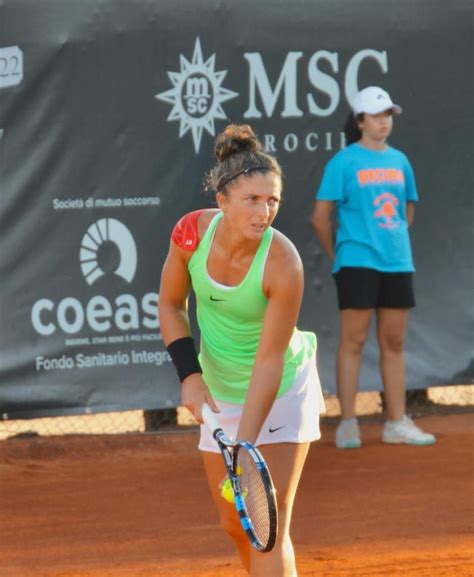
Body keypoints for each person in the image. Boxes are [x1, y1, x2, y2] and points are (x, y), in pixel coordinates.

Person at [159, 124, 325, 577]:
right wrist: (189, 375)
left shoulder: (283, 263)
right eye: (252, 200)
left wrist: (244, 447)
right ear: (222, 201)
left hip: (281, 390)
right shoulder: (190, 235)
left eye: (272, 200)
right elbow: (171, 306)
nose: (264, 211)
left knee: (267, 523)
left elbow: (270, 361)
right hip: (220, 392)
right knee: (234, 524)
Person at [311, 86, 435, 449]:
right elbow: (320, 217)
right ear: (360, 121)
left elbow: (406, 211)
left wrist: (390, 239)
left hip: (397, 262)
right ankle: (348, 422)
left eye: (388, 116)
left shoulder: (400, 161)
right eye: (377, 116)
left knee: (394, 342)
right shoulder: (343, 162)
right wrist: (340, 255)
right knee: (353, 341)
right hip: (356, 262)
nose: (384, 122)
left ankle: (396, 421)